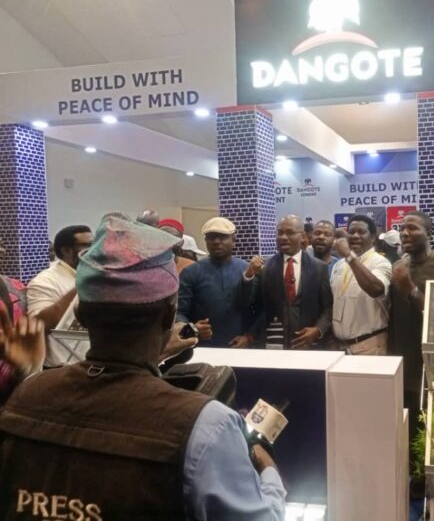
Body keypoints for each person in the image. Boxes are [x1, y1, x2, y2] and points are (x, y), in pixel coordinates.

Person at [0, 215, 286, 519]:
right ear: (169, 315)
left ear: (80, 316)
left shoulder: (27, 394)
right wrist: (267, 466)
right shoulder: (205, 425)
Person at [388, 211, 434, 441]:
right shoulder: (399, 265)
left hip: (428, 361)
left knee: (426, 428)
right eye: (401, 229)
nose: (404, 233)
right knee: (401, 428)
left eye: (412, 228)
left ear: (429, 233)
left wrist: (410, 288)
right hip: (400, 357)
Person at [244, 215, 333, 350]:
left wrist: (317, 330)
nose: (283, 237)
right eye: (280, 233)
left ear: (303, 236)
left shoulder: (319, 268)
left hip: (309, 344)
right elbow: (253, 306)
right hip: (274, 342)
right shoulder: (265, 267)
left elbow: (328, 307)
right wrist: (249, 275)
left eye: (290, 233)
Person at [177, 217, 252, 347]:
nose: (216, 242)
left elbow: (259, 310)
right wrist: (193, 329)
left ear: (233, 240)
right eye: (211, 237)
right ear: (206, 241)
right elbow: (179, 312)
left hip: (240, 347)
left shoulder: (246, 270)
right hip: (203, 348)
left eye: (222, 237)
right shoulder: (191, 272)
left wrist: (249, 337)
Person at [27, 225, 93, 367]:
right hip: (60, 369)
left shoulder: (96, 277)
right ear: (66, 251)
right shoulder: (45, 281)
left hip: (91, 365)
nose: (94, 250)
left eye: (95, 244)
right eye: (87, 245)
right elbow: (37, 326)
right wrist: (83, 284)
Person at [331, 215, 392, 355]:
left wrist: (349, 256)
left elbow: (375, 289)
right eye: (351, 232)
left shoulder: (380, 262)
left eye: (361, 232)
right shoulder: (339, 265)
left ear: (373, 237)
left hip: (370, 345)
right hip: (340, 346)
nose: (355, 236)